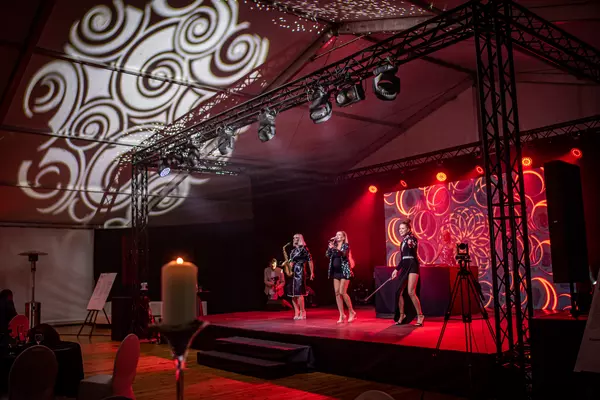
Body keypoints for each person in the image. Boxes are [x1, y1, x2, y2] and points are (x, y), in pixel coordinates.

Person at [391, 219, 424, 327]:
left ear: (408, 229)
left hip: (413, 265)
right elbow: (403, 259)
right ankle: (402, 315)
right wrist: (396, 270)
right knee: (398, 292)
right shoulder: (402, 242)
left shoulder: (412, 239)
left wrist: (411, 243)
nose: (400, 230)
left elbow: (413, 247)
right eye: (399, 229)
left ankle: (420, 315)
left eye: (403, 228)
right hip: (405, 266)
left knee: (411, 292)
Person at [326, 231, 357, 323]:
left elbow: (343, 254)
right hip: (336, 272)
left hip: (344, 271)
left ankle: (351, 312)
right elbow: (327, 255)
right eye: (336, 234)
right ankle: (342, 314)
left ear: (343, 238)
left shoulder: (346, 246)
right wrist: (330, 248)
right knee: (337, 293)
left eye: (339, 235)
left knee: (342, 292)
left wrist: (334, 248)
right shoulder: (334, 246)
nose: (337, 236)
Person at [288, 233, 314, 320]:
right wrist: (288, 269)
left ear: (300, 239)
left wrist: (312, 272)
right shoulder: (293, 251)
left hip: (300, 270)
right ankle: (296, 312)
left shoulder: (304, 249)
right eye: (294, 238)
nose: (294, 239)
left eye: (296, 237)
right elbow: (291, 262)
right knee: (292, 294)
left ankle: (303, 311)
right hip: (293, 272)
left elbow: (310, 261)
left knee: (299, 293)